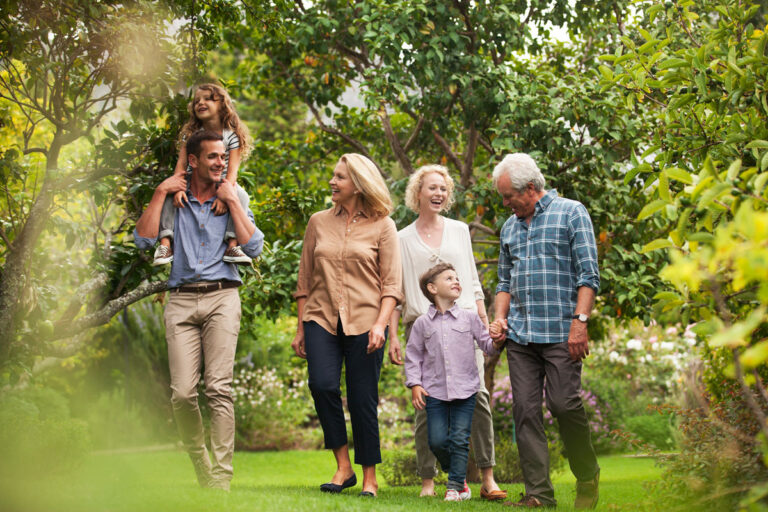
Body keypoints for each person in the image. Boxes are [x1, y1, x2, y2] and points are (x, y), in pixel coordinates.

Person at [134, 131, 264, 491]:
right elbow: (143, 240)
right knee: (182, 393)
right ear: (193, 161)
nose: (221, 162)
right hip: (180, 299)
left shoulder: (233, 194)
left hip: (223, 296)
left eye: (223, 157)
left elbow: (254, 248)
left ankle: (221, 478)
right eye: (212, 157)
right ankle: (201, 463)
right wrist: (160, 191)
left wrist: (233, 203)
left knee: (218, 388)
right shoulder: (174, 198)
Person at [388, 164, 507, 501]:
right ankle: (428, 479)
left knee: (479, 398)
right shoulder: (402, 238)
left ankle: (487, 477)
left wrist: (485, 323)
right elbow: (396, 292)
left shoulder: (459, 231)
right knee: (426, 404)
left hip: (463, 324)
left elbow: (471, 282)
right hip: (421, 327)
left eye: (443, 188)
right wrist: (394, 336)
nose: (438, 193)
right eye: (432, 188)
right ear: (418, 193)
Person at [488, 153, 600, 509]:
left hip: (561, 333)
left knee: (563, 405)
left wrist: (580, 323)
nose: (506, 204)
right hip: (521, 336)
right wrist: (500, 319)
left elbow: (589, 275)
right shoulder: (509, 227)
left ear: (531, 189)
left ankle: (587, 474)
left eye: (508, 197)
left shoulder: (571, 213)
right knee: (524, 410)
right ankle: (538, 494)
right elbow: (504, 281)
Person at [291, 153, 402, 497]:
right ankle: (343, 467)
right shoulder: (318, 222)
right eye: (333, 176)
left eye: (339, 177)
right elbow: (304, 279)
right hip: (321, 317)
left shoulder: (383, 225)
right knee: (322, 385)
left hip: (367, 321)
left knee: (362, 398)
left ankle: (369, 476)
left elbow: (392, 285)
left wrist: (381, 325)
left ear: (358, 183)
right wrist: (300, 328)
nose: (332, 182)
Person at [404, 263, 504, 502]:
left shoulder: (469, 317)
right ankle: (458, 476)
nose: (456, 281)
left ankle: (456, 487)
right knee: (437, 441)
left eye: (457, 278)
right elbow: (413, 356)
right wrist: (415, 384)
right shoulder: (421, 324)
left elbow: (487, 346)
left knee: (460, 439)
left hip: (466, 390)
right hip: (435, 392)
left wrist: (497, 338)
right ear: (432, 288)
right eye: (449, 278)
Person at [153, 83, 253, 267]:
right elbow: (181, 166)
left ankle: (232, 244)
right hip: (194, 181)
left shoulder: (231, 136)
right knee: (167, 191)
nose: (201, 103)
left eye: (208, 98)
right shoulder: (191, 135)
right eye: (197, 100)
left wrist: (224, 197)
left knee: (241, 196)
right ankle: (165, 244)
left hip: (222, 183)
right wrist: (177, 189)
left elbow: (232, 173)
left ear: (222, 104)